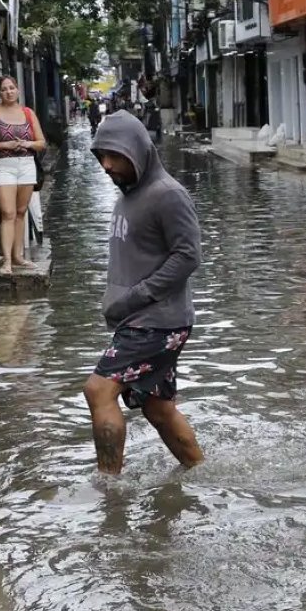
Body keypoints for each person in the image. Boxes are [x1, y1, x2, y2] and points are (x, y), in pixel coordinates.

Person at [84, 111, 204, 474]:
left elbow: (188, 256)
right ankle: (201, 473)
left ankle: (110, 490)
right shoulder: (130, 193)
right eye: (101, 156)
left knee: (99, 390)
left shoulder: (167, 194)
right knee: (158, 408)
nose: (106, 165)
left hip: (156, 320)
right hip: (140, 318)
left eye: (115, 156)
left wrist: (137, 296)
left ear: (138, 151)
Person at [0, 76, 45, 274]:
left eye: (12, 88)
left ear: (18, 90)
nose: (9, 92)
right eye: (4, 89)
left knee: (21, 211)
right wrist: (3, 145)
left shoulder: (28, 112)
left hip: (26, 164)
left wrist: (28, 144)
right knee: (8, 213)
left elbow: (41, 142)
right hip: (2, 165)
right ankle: (6, 260)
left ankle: (18, 257)